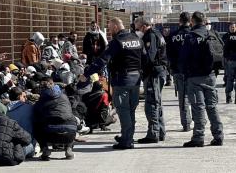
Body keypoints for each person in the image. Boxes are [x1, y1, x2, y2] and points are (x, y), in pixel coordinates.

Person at [80, 17, 143, 149]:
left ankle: (126, 140)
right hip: (136, 80)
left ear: (115, 27)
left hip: (122, 80)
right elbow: (145, 58)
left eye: (109, 29)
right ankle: (127, 136)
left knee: (123, 110)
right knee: (130, 110)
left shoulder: (117, 41)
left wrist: (86, 75)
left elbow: (102, 60)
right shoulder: (136, 39)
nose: (109, 32)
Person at [180, 11, 224, 147]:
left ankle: (198, 137)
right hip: (211, 75)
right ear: (204, 21)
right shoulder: (213, 34)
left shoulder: (191, 37)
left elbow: (183, 58)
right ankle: (218, 135)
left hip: (195, 77)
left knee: (198, 107)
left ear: (192, 21)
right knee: (212, 106)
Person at [134, 16, 167, 143]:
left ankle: (153, 133)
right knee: (157, 103)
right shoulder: (157, 33)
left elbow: (150, 57)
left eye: (137, 28)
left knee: (152, 104)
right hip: (159, 72)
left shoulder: (150, 36)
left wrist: (141, 66)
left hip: (153, 73)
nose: (137, 31)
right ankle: (160, 132)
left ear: (143, 26)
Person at [33, 78, 77, 160]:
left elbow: (36, 113)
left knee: (36, 123)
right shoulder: (64, 96)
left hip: (51, 134)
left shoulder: (42, 99)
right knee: (71, 119)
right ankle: (69, 148)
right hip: (70, 132)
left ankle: (45, 149)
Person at [167, 12, 192, 131]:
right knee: (197, 98)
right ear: (190, 21)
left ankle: (186, 123)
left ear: (180, 21)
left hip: (178, 70)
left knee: (183, 98)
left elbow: (169, 54)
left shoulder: (173, 35)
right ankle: (198, 123)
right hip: (193, 71)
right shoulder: (194, 34)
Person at [7, 87, 35, 158]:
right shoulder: (29, 108)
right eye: (24, 96)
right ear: (20, 96)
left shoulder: (4, 108)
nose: (25, 99)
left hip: (8, 144)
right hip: (26, 144)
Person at [223, 22, 236, 103]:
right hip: (230, 61)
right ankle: (228, 97)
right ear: (229, 28)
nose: (233, 28)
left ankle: (229, 97)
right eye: (231, 27)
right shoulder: (226, 36)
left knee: (229, 79)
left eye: (234, 27)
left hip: (230, 60)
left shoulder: (226, 36)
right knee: (229, 79)